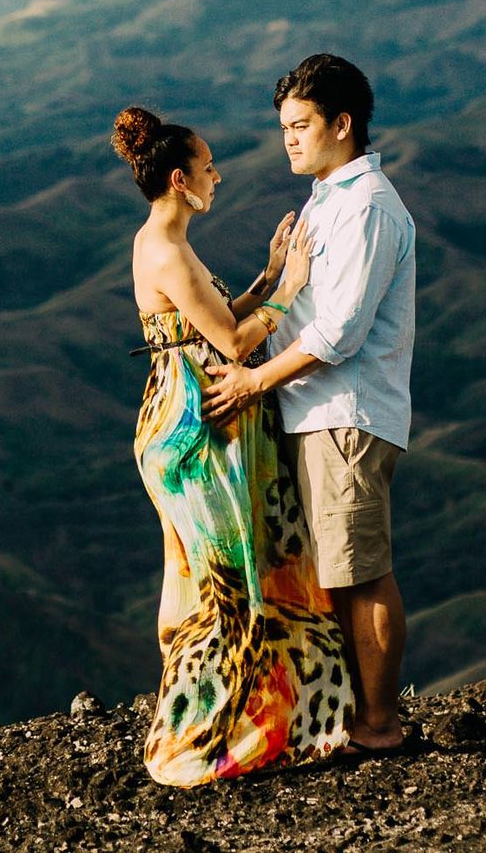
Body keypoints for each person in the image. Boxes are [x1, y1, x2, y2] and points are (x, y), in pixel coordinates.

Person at [113, 105, 354, 785]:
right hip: (198, 435)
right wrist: (295, 287)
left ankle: (239, 719)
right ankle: (210, 736)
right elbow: (232, 341)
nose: (218, 175)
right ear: (180, 178)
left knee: (219, 577)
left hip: (190, 422)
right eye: (210, 165)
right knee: (228, 583)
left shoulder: (165, 241)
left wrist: (269, 275)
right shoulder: (166, 248)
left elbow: (214, 315)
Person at [201, 54, 416, 755]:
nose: (289, 139)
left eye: (301, 125)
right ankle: (357, 718)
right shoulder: (332, 197)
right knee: (336, 573)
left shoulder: (367, 206)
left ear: (342, 123)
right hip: (314, 411)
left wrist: (254, 383)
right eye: (285, 126)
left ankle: (379, 726)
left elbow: (339, 332)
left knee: (362, 572)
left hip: (344, 413)